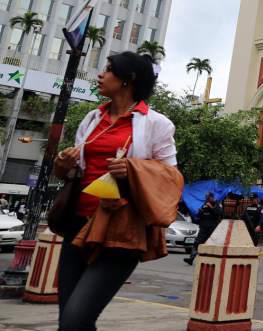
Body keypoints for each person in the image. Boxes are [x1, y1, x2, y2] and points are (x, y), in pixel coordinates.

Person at [52, 51, 180, 331]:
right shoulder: (91, 118)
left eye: (109, 69)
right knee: (68, 320)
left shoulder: (156, 124)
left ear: (127, 80)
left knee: (75, 320)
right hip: (78, 226)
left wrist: (133, 168)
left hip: (121, 229)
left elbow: (171, 177)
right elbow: (76, 173)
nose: (101, 74)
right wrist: (64, 165)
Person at [185, 192, 222, 265]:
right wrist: (200, 212)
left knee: (211, 244)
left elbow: (219, 213)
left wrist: (211, 207)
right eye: (206, 198)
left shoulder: (217, 204)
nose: (207, 199)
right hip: (203, 228)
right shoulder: (204, 204)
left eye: (208, 198)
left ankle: (211, 261)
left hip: (212, 228)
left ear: (212, 197)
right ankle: (191, 258)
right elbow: (199, 216)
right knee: (197, 243)